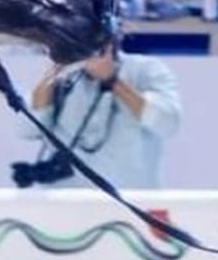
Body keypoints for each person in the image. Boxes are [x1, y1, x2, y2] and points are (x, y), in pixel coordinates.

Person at [14, 36, 182, 190]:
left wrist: (112, 81)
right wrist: (51, 75)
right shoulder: (64, 74)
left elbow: (167, 123)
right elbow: (27, 129)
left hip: (130, 200)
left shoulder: (146, 69)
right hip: (65, 201)